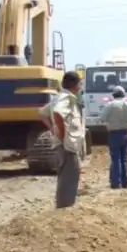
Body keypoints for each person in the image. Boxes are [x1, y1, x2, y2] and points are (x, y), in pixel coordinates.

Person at [41, 71, 86, 208]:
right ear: (74, 84)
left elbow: (43, 114)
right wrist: (60, 133)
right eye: (79, 84)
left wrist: (53, 129)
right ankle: (65, 209)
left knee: (65, 177)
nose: (80, 87)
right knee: (69, 178)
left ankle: (63, 208)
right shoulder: (66, 98)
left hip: (64, 145)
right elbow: (58, 113)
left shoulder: (59, 97)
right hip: (67, 146)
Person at [99, 85, 127, 189]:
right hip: (125, 134)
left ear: (113, 95)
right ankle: (125, 182)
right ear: (124, 94)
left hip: (114, 135)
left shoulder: (110, 105)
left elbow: (102, 119)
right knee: (124, 159)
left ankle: (116, 183)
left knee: (115, 159)